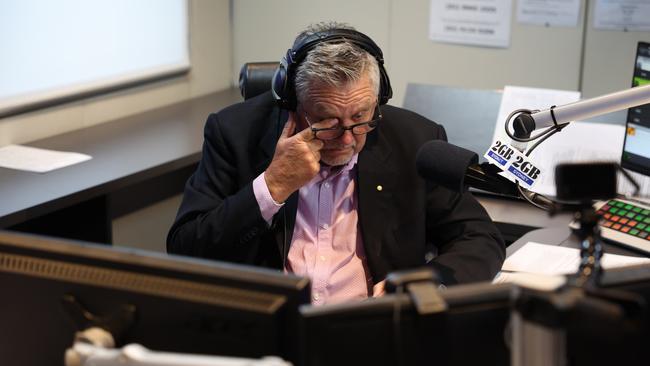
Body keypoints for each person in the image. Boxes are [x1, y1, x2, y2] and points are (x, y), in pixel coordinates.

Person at [167, 22, 505, 305]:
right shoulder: (235, 133)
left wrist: (424, 285)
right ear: (292, 105)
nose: (346, 138)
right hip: (269, 332)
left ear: (378, 99)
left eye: (360, 117)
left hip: (374, 331)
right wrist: (272, 187)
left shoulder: (414, 141)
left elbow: (480, 237)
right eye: (327, 121)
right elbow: (187, 249)